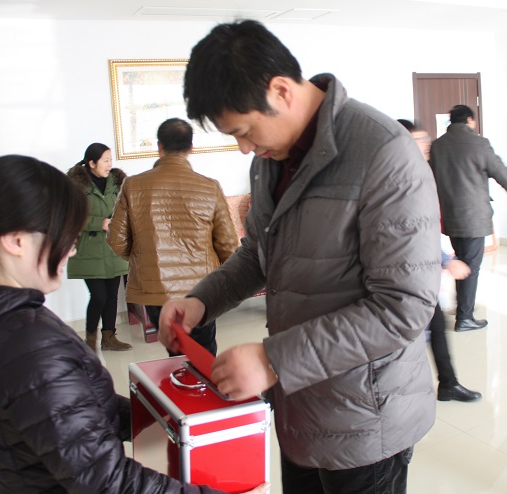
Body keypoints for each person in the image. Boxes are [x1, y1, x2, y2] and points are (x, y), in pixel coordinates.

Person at [158, 20, 441, 494]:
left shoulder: (383, 152)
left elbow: (404, 307)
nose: (244, 148)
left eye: (244, 131)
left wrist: (274, 359)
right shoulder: (269, 160)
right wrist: (201, 301)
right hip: (299, 405)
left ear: (282, 91)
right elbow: (258, 254)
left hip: (365, 418)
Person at [0, 155, 268, 494]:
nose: (71, 250)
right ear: (16, 240)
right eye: (65, 236)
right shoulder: (28, 347)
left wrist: (178, 413)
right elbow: (108, 483)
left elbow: (73, 416)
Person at [107, 118, 238, 356]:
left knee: (175, 353)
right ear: (191, 148)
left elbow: (116, 241)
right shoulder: (209, 187)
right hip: (202, 288)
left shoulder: (132, 186)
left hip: (154, 288)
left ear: (159, 146)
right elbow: (228, 245)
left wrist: (143, 257)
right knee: (204, 353)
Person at [398, 119, 481, 402]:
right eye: (418, 141)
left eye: (425, 140)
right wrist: (445, 259)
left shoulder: (420, 175)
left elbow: (424, 229)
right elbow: (410, 232)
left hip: (421, 273)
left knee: (435, 326)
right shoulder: (397, 183)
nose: (426, 145)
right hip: (404, 276)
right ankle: (410, 393)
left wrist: (443, 257)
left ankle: (448, 384)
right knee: (415, 335)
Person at [429, 105, 507, 332]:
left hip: (451, 216)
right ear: (469, 120)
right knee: (471, 266)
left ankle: (462, 308)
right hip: (474, 218)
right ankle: (465, 318)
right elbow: (502, 172)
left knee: (461, 263)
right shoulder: (479, 143)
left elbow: (429, 178)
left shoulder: (438, 146)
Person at [67, 143, 131, 351]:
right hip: (89, 249)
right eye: (105, 160)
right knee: (99, 296)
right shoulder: (75, 185)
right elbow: (70, 216)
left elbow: (126, 209)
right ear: (92, 163)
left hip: (113, 246)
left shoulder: (118, 182)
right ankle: (90, 340)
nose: (109, 164)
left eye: (110, 159)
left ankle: (109, 338)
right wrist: (98, 223)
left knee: (112, 295)